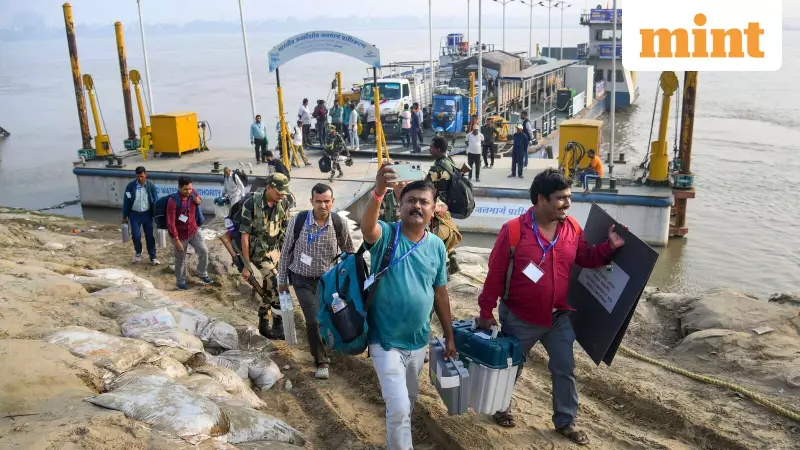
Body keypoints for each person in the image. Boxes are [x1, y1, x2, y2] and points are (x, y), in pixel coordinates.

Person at [477, 168, 625, 446]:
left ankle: (565, 421)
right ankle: (501, 407)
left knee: (564, 368)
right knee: (512, 367)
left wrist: (609, 247)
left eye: (568, 197)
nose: (567, 204)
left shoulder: (572, 229)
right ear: (541, 199)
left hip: (558, 317)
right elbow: (495, 274)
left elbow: (585, 257)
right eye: (560, 198)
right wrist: (486, 312)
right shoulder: (513, 231)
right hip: (521, 317)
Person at [361, 166, 456, 450]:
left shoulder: (438, 247)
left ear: (434, 209)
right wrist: (378, 191)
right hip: (385, 340)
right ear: (400, 205)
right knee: (400, 407)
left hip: (418, 342)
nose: (417, 206)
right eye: (411, 200)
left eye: (423, 201)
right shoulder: (387, 236)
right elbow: (368, 227)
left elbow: (440, 294)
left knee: (408, 402)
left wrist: (450, 336)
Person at [277, 184, 355, 380]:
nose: (323, 205)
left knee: (330, 318)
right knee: (312, 321)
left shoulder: (338, 223)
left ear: (332, 202)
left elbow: (349, 252)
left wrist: (350, 280)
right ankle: (321, 361)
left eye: (327, 201)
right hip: (302, 279)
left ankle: (334, 345)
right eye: (318, 201)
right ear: (312, 201)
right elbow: (286, 251)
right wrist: (282, 280)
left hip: (327, 282)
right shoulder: (299, 221)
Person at [237, 174, 292, 339]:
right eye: (278, 191)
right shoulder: (252, 204)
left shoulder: (284, 202)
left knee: (270, 287)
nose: (282, 195)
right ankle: (278, 325)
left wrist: (287, 257)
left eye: (284, 192)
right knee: (276, 285)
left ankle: (263, 323)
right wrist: (247, 265)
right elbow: (244, 236)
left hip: (276, 251)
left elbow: (285, 230)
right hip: (259, 252)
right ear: (268, 187)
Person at [166, 177, 212, 290]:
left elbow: (198, 198)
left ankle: (202, 273)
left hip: (194, 230)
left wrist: (199, 200)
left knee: (204, 251)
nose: (189, 191)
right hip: (179, 235)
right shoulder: (172, 202)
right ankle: (180, 281)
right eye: (186, 189)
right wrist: (176, 240)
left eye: (190, 189)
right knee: (180, 259)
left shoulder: (193, 193)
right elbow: (170, 223)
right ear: (179, 188)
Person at [122, 166, 160, 265]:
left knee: (150, 236)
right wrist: (124, 216)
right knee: (136, 236)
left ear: (145, 175)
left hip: (147, 214)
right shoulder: (130, 187)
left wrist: (157, 215)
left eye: (141, 176)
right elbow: (126, 201)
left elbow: (155, 201)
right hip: (134, 215)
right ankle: (138, 253)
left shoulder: (151, 187)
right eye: (137, 176)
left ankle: (153, 257)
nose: (139, 179)